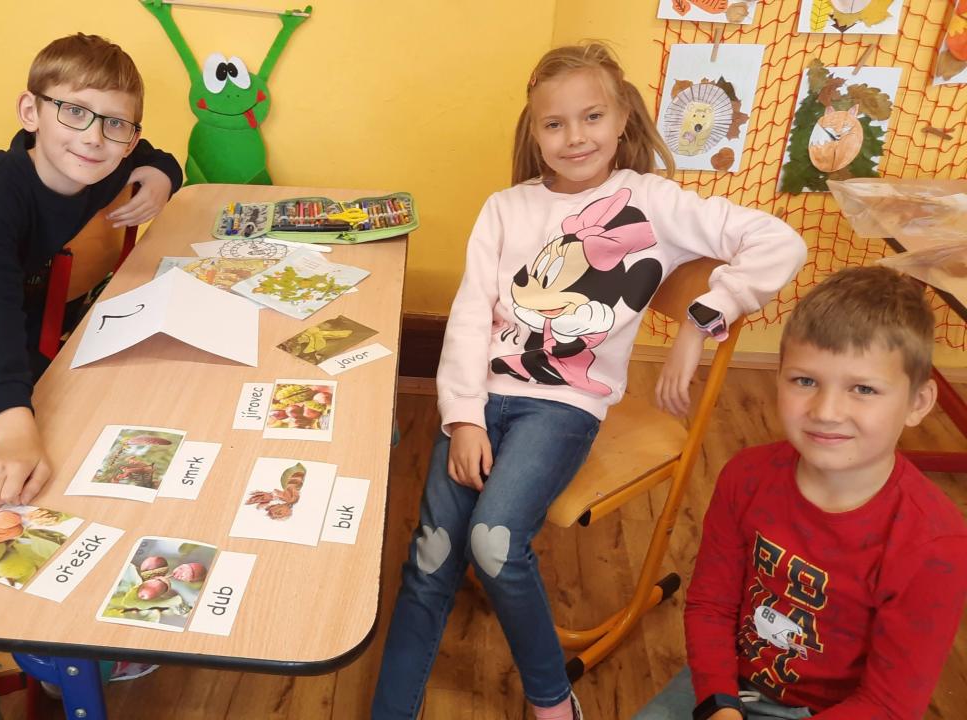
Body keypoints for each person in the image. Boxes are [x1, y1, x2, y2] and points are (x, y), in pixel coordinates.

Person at [370, 42, 807, 720]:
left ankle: (554, 703)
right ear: (534, 131)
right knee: (430, 557)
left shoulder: (653, 201)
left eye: (592, 116)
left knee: (492, 540)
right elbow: (468, 317)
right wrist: (462, 417)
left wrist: (701, 320)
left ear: (623, 117)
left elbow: (780, 242)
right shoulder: (504, 208)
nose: (575, 137)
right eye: (555, 123)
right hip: (482, 397)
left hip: (563, 406)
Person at [634, 266, 967, 720]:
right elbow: (711, 605)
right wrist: (719, 703)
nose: (826, 411)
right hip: (723, 682)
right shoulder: (745, 477)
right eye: (805, 381)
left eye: (863, 389)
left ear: (918, 403)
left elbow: (888, 705)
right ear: (779, 377)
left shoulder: (935, 544)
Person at [0, 33, 184, 508]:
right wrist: (13, 431)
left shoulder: (101, 162)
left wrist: (164, 176)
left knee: (95, 418)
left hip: (19, 319)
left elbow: (154, 158)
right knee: (12, 464)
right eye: (74, 111)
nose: (93, 136)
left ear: (129, 139)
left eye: (114, 123)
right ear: (30, 112)